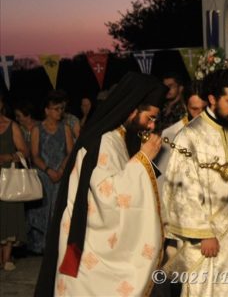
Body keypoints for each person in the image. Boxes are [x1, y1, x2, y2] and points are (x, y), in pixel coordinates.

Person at [34, 72, 168, 297]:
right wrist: (143, 160)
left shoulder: (119, 137)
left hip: (93, 234)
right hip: (88, 239)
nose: (152, 125)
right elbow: (107, 196)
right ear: (133, 110)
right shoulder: (105, 141)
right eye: (150, 117)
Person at [162, 69, 228, 296]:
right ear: (213, 99)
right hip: (205, 239)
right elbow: (181, 189)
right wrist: (203, 233)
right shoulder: (190, 136)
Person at [28, 91, 74, 254]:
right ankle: (41, 245)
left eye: (61, 109)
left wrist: (60, 170)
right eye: (56, 109)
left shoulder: (65, 128)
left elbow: (70, 152)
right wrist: (48, 171)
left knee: (59, 209)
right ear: (47, 110)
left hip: (61, 174)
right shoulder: (37, 129)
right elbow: (34, 155)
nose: (59, 112)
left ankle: (58, 245)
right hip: (44, 174)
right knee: (42, 210)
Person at [0, 92, 29, 271]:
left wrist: (8, 157)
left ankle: (7, 258)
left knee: (9, 212)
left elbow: (24, 152)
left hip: (9, 177)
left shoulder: (11, 126)